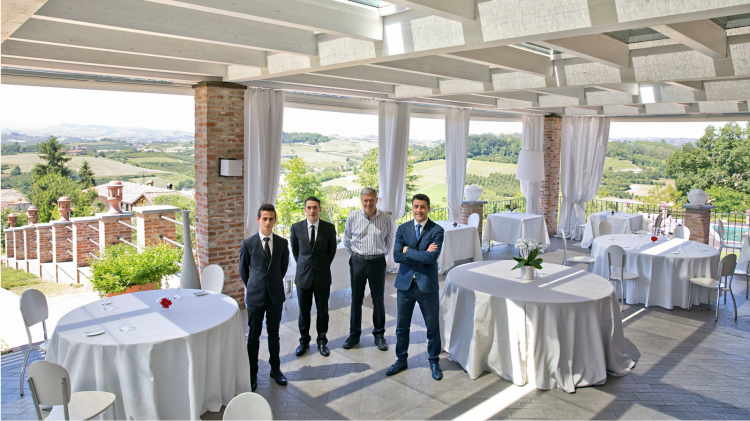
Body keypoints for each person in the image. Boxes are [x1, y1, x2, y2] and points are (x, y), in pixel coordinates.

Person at [388, 193, 445, 381]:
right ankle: (401, 359)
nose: (419, 210)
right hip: (405, 285)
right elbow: (396, 256)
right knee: (401, 326)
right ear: (412, 208)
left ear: (428, 208)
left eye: (422, 207)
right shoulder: (403, 229)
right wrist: (417, 253)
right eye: (416, 206)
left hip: (426, 286)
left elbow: (432, 258)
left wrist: (408, 251)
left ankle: (434, 361)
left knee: (432, 326)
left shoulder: (437, 230)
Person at [239, 204, 290, 392]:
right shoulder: (248, 244)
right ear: (258, 220)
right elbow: (243, 271)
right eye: (264, 218)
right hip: (255, 296)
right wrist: (254, 285)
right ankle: (252, 374)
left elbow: (282, 268)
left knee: (274, 335)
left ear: (275, 220)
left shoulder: (283, 243)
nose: (268, 222)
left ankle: (275, 370)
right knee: (253, 336)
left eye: (271, 218)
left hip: (275, 296)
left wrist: (272, 282)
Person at [343, 187, 392, 351]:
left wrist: (378, 254)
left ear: (376, 200)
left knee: (378, 300)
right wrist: (357, 256)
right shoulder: (353, 216)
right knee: (356, 300)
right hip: (357, 262)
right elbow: (347, 240)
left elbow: (389, 241)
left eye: (371, 200)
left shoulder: (385, 218)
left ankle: (379, 335)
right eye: (365, 200)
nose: (368, 203)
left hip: (377, 263)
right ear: (361, 201)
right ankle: (354, 335)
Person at [290, 196, 337, 357]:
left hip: (322, 276)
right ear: (305, 209)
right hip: (303, 277)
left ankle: (322, 341)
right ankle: (304, 341)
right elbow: (296, 252)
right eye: (309, 207)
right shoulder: (296, 228)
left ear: (320, 209)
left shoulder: (329, 228)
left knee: (323, 310)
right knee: (304, 311)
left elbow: (331, 252)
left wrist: (320, 265)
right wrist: (305, 266)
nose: (312, 210)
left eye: (315, 207)